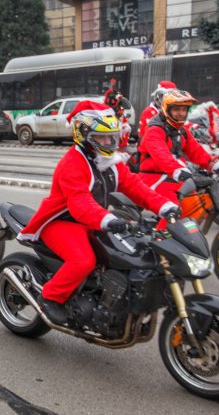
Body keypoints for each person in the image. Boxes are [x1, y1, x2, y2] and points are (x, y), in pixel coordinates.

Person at [19, 101, 178, 324]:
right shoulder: (72, 163)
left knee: (128, 254)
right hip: (62, 221)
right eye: (101, 137)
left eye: (111, 137)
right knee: (83, 260)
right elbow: (79, 202)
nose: (108, 142)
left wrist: (164, 206)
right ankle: (50, 298)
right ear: (83, 135)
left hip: (93, 220)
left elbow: (135, 186)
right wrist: (107, 218)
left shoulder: (109, 161)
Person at [137, 90, 219, 209]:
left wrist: (213, 165)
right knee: (173, 210)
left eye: (184, 110)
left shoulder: (181, 130)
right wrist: (177, 170)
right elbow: (162, 156)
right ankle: (165, 222)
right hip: (154, 178)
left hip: (172, 177)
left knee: (198, 205)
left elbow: (195, 150)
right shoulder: (155, 131)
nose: (181, 113)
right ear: (167, 110)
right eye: (177, 109)